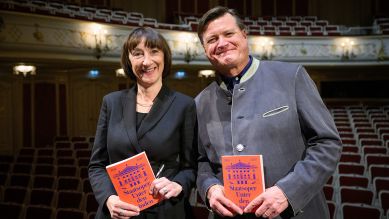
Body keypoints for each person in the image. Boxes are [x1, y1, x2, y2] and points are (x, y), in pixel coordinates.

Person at [195, 6, 342, 219]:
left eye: (229, 34)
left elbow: (328, 143)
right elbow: (201, 162)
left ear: (244, 35)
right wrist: (210, 188)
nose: (222, 43)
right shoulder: (200, 102)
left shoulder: (291, 77)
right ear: (205, 49)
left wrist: (287, 191)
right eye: (212, 39)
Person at [88, 27, 197, 219]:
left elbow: (191, 166)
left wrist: (178, 184)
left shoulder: (184, 105)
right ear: (129, 61)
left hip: (165, 209)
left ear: (165, 57)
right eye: (138, 54)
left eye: (154, 51)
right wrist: (108, 199)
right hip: (119, 211)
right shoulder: (111, 102)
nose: (146, 61)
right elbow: (97, 165)